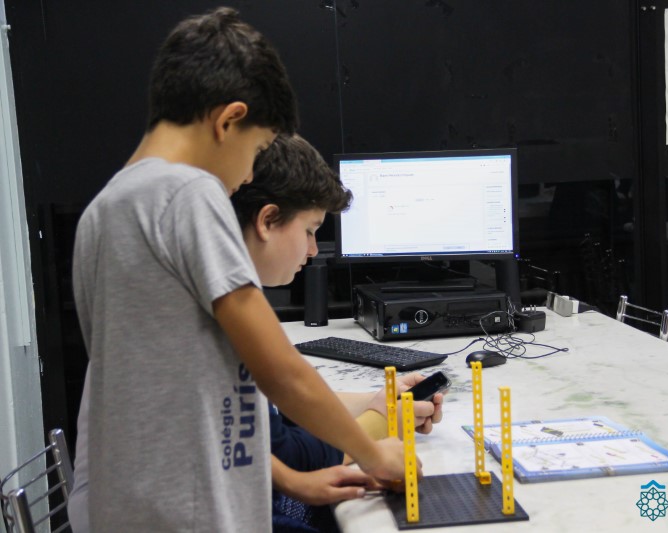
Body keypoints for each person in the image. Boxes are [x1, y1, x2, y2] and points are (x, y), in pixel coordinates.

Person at [70, 8, 406, 532]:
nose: (248, 175)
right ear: (227, 121)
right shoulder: (187, 192)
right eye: (257, 148)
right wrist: (374, 454)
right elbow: (280, 371)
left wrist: (292, 481)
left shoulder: (104, 211)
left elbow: (178, 402)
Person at [229, 134, 445, 531]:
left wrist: (376, 403)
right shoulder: (230, 308)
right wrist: (375, 434)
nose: (313, 250)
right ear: (267, 220)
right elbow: (286, 452)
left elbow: (277, 411)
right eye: (310, 231)